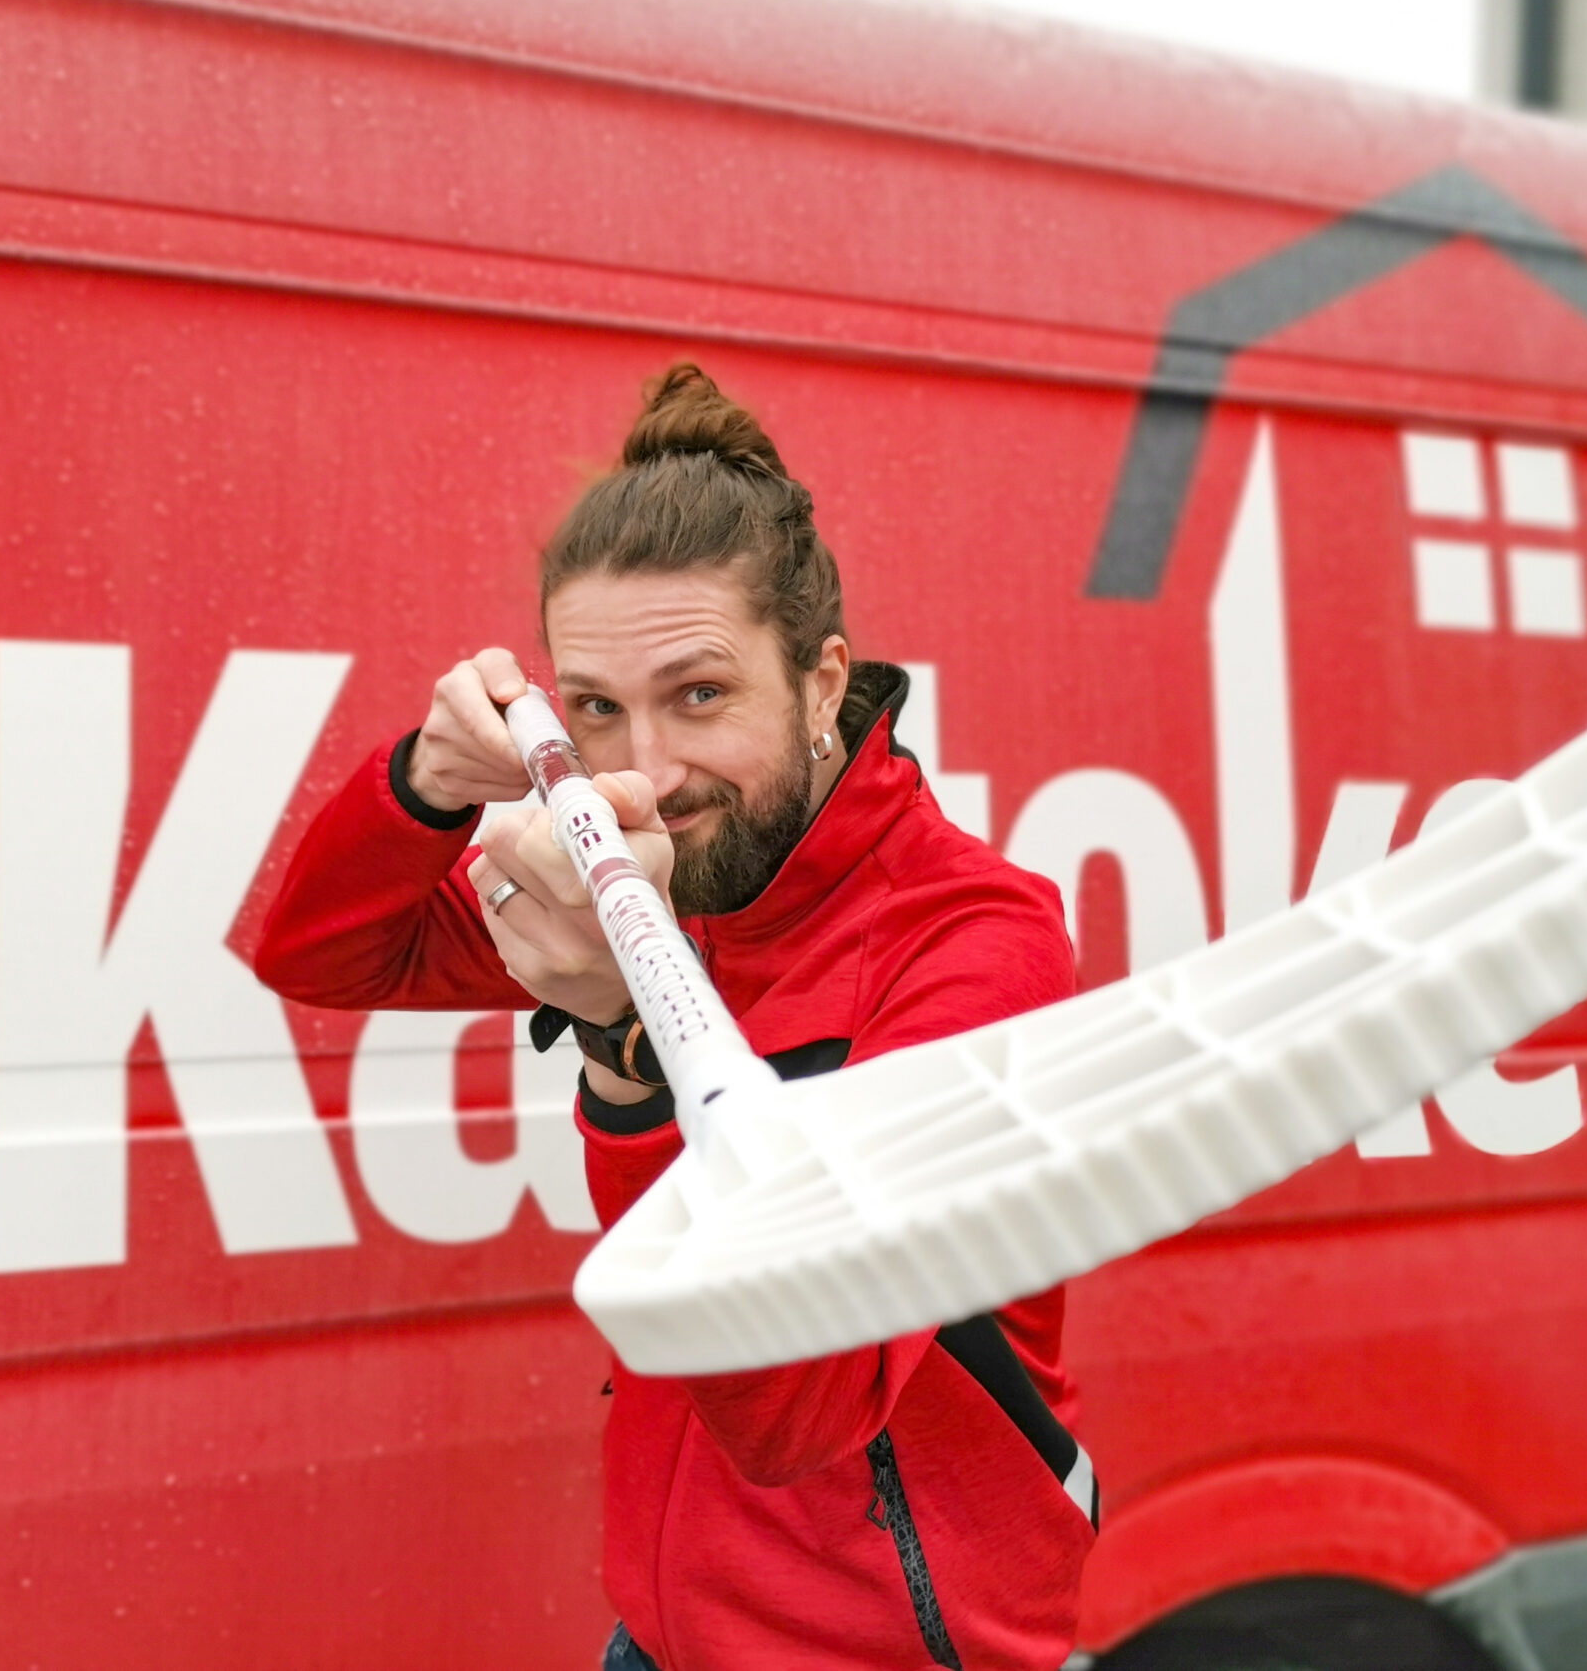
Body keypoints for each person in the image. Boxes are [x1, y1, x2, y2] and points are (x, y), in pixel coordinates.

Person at [255, 364, 1096, 1671]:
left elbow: (796, 1409)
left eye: (700, 694)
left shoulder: (976, 942)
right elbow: (324, 955)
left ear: (821, 685)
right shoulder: (668, 869)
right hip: (660, 1638)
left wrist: (626, 1043)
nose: (645, 769)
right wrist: (426, 782)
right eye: (596, 708)